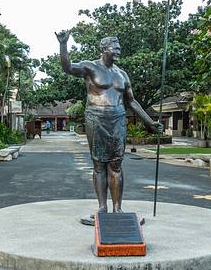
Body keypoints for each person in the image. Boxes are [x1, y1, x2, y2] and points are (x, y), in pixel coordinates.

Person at [56, 32, 162, 223]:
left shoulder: (122, 74)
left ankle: (117, 208)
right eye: (115, 47)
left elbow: (132, 101)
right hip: (96, 118)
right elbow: (68, 67)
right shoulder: (90, 67)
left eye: (119, 47)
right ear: (104, 49)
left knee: (116, 165)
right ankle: (102, 208)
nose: (119, 50)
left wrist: (150, 122)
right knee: (99, 165)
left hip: (118, 119)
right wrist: (63, 45)